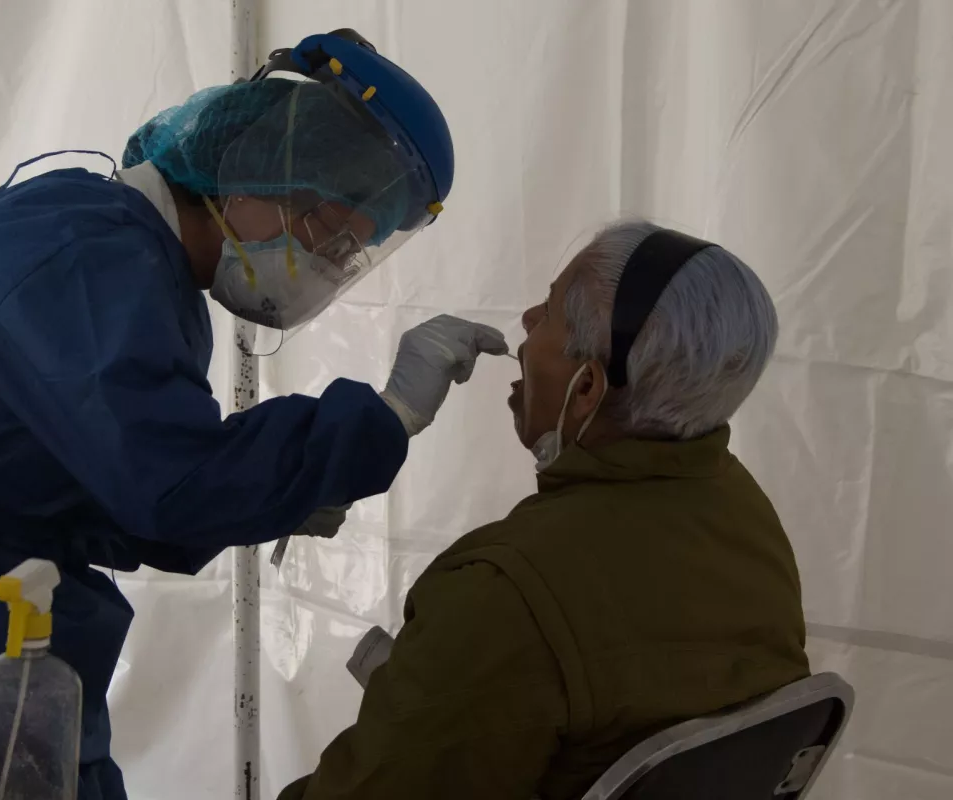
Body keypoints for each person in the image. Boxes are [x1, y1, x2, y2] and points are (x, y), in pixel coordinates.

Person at [0, 31, 506, 800]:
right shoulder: (86, 250)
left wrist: (285, 489)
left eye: (347, 251)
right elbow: (173, 483)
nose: (326, 264)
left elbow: (133, 495)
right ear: (251, 175)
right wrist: (383, 418)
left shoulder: (149, 269)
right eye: (324, 231)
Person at [280, 220, 811, 800]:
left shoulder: (505, 589)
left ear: (587, 388)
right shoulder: (744, 516)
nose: (528, 319)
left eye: (551, 311)